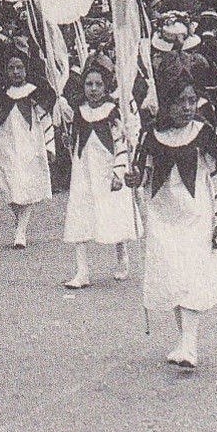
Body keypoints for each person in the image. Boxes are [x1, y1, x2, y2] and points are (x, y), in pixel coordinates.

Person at [127, 56, 217, 369]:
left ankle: (189, 343)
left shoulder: (204, 133)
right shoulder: (149, 135)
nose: (188, 107)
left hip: (196, 217)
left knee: (190, 279)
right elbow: (142, 173)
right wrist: (132, 178)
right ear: (165, 103)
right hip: (162, 218)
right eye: (180, 101)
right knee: (173, 278)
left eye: (191, 100)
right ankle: (184, 338)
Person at [61, 59, 138, 289]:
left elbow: (121, 144)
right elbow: (76, 142)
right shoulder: (78, 111)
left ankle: (122, 257)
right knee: (80, 215)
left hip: (107, 170)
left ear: (106, 87)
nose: (93, 89)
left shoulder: (112, 112)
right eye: (88, 84)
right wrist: (68, 141)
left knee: (112, 214)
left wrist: (119, 172)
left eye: (98, 85)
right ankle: (82, 271)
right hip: (84, 171)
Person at [0, 52, 55, 249]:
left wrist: (50, 146)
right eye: (11, 68)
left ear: (25, 70)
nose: (16, 72)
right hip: (7, 144)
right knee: (8, 185)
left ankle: (21, 230)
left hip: (29, 143)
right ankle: (19, 219)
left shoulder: (34, 92)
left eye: (19, 68)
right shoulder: (3, 94)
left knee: (27, 184)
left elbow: (46, 119)